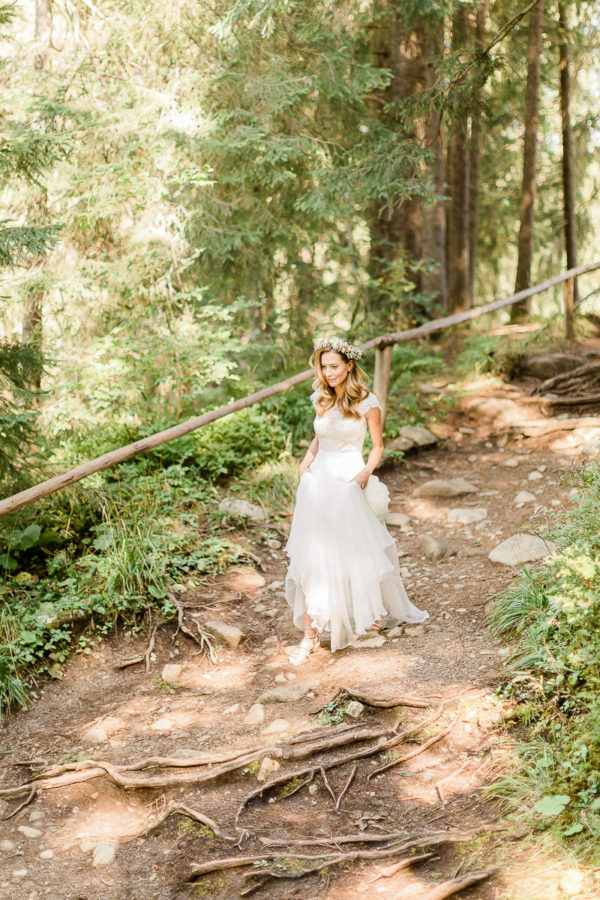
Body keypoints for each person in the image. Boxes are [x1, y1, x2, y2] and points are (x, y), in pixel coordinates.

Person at [284, 336, 429, 665]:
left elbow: (377, 445)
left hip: (348, 479)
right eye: (324, 366)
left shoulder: (367, 402)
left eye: (334, 366)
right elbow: (320, 436)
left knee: (354, 549)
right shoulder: (319, 398)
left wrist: (365, 473)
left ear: (350, 365)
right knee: (311, 553)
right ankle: (310, 633)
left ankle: (369, 613)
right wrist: (306, 459)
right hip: (317, 483)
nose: (329, 372)